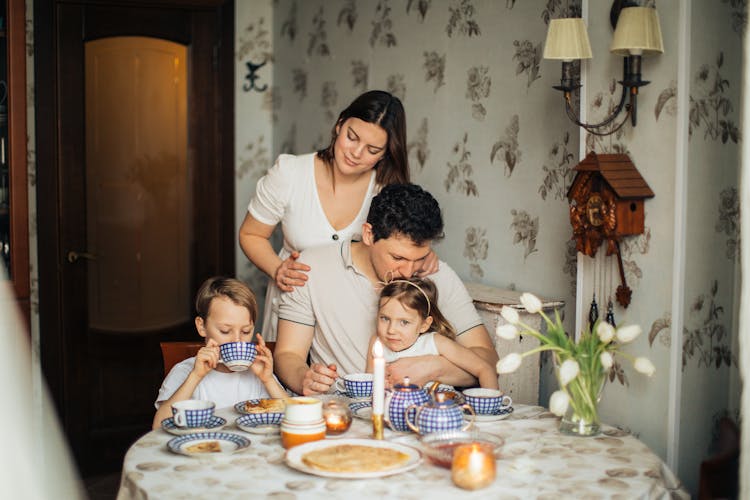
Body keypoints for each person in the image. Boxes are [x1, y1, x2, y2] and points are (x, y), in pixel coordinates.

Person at [239, 90, 437, 343]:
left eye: (372, 149)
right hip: (293, 311)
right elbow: (250, 234)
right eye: (351, 137)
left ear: (385, 153)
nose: (356, 153)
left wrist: (421, 253)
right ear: (339, 125)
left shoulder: (386, 190)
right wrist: (277, 269)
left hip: (352, 321)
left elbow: (404, 242)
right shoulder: (290, 173)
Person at [273, 183, 499, 395]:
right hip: (343, 408)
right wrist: (305, 378)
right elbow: (288, 354)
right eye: (398, 257)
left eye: (419, 258)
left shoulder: (438, 274)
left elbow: (486, 360)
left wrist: (434, 367)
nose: (409, 272)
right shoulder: (310, 267)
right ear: (369, 234)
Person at [152, 277, 287, 429]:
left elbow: (296, 418)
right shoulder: (185, 372)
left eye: (245, 331)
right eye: (225, 331)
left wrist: (269, 381)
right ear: (201, 327)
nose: (237, 341)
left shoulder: (259, 376)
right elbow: (158, 427)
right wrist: (196, 376)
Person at [365, 278, 499, 389]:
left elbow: (484, 369)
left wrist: (489, 407)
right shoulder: (377, 343)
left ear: (424, 325)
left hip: (439, 413)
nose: (391, 330)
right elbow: (370, 384)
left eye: (404, 322)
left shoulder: (436, 343)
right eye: (385, 318)